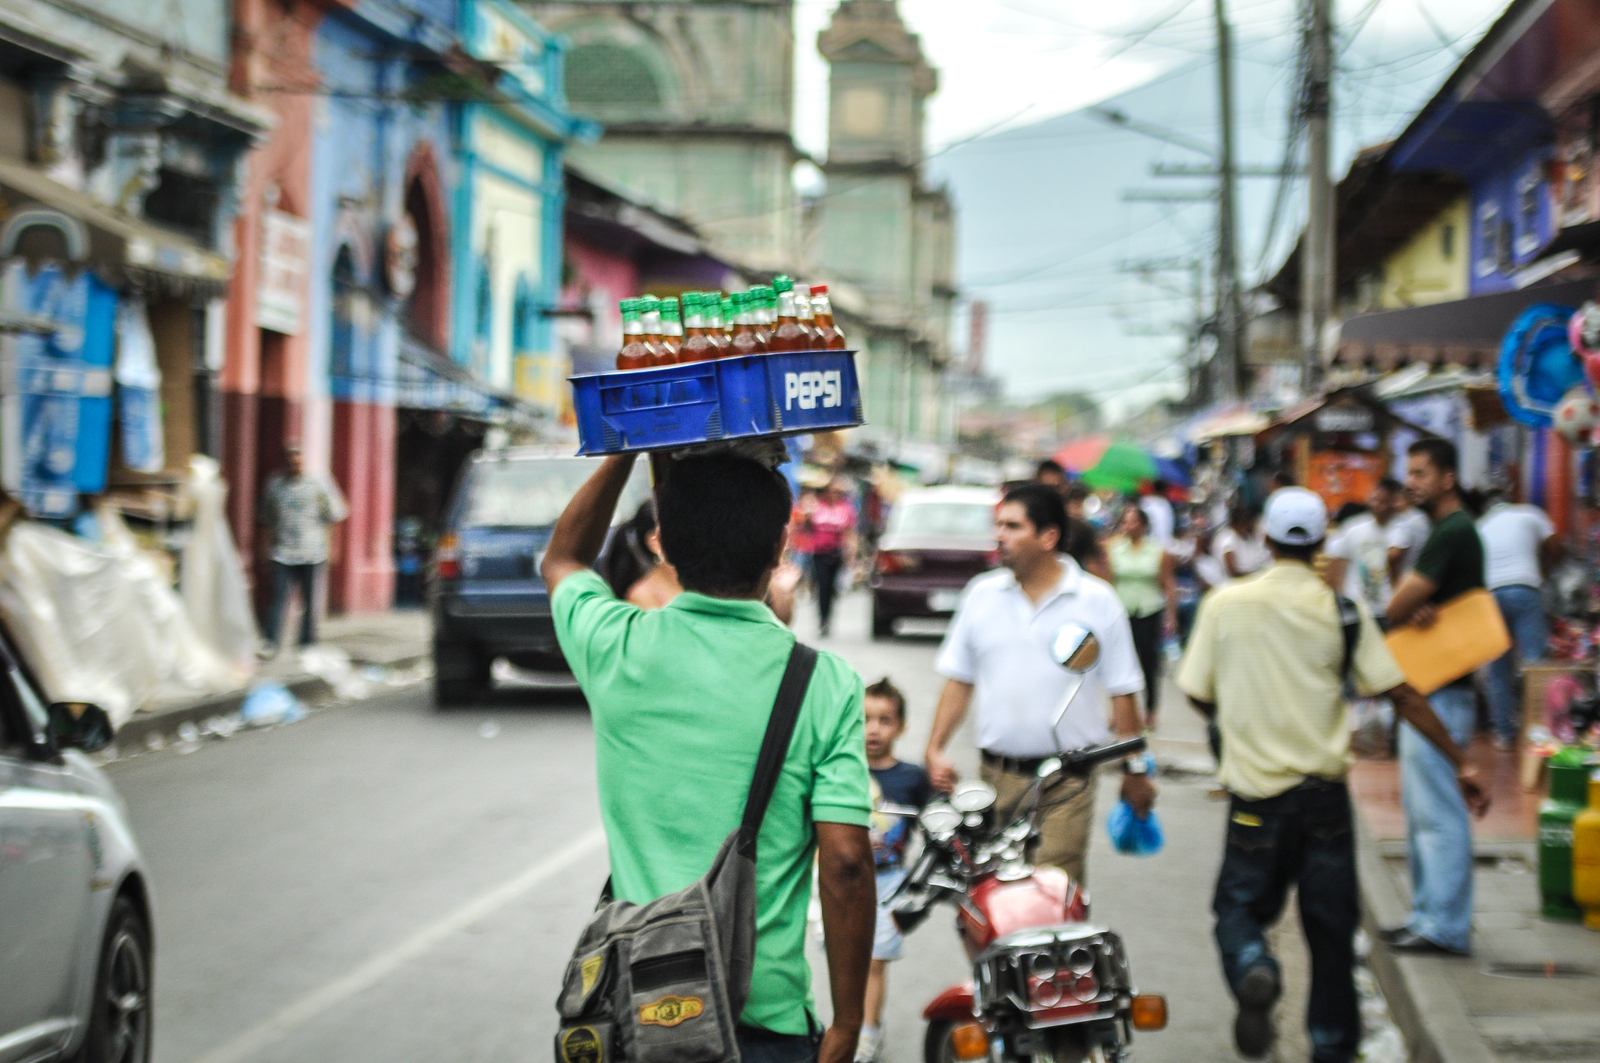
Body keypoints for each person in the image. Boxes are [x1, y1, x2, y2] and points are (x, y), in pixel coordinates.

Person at [541, 453, 877, 1063]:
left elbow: (564, 560)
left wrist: (624, 449)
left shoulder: (617, 644)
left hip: (640, 1012)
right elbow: (847, 862)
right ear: (780, 547)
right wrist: (849, 1023)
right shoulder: (825, 682)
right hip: (765, 1022)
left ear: (664, 545)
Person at [1177, 487, 1487, 1062]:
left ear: (1266, 539)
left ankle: (1253, 964)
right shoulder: (1341, 611)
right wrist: (1461, 760)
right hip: (1324, 802)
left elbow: (1196, 691)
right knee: (1331, 932)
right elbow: (1401, 694)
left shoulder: (1224, 604)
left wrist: (1240, 715)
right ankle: (1331, 1046)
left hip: (1256, 800)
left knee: (1239, 909)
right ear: (1321, 543)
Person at [925, 484, 1154, 886]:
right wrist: (935, 748)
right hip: (995, 779)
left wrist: (1135, 770)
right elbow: (959, 679)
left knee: (1051, 891)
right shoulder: (982, 594)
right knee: (993, 895)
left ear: (1048, 536)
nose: (999, 535)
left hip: (1066, 782)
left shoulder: (1096, 600)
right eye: (998, 525)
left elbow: (1123, 690)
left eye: (1013, 526)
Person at [1384, 438, 1486, 957]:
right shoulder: (1443, 531)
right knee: (1424, 811)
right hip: (1432, 689)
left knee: (1438, 812)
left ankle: (1444, 924)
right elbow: (1410, 598)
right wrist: (1413, 606)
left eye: (1421, 473)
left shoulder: (1453, 530)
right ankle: (1427, 915)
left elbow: (1397, 604)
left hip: (1441, 692)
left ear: (1448, 478)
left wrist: (1405, 608)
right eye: (1410, 472)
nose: (1412, 482)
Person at [858, 677, 933, 1063]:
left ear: (900, 727)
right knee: (849, 962)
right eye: (865, 719)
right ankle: (852, 1024)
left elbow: (937, 825)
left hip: (890, 883)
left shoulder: (912, 778)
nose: (874, 729)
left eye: (884, 720)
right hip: (844, 883)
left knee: (874, 962)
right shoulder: (844, 772)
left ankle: (867, 1033)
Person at [1478, 491, 1561, 748]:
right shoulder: (1530, 513)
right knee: (1534, 662)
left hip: (1491, 594)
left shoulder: (1481, 525)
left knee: (1498, 668)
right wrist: (1544, 570)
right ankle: (1538, 731)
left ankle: (1504, 733)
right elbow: (1555, 545)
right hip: (1525, 587)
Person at [257, 443, 348, 656]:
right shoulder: (275, 486)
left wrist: (334, 547)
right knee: (278, 597)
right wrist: (264, 547)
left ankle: (307, 641)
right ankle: (271, 640)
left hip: (312, 551)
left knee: (309, 599)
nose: (294, 464)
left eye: (298, 459)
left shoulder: (319, 484)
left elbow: (334, 516)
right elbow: (267, 519)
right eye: (290, 460)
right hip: (282, 551)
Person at [1107, 504, 1177, 724]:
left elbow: (1168, 583)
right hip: (1123, 611)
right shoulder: (1115, 549)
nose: (1129, 526)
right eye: (1125, 521)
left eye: (1134, 521)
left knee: (1148, 662)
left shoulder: (1157, 551)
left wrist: (1171, 615)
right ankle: (1120, 710)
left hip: (1149, 610)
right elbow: (1109, 581)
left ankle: (1150, 709)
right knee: (1119, 661)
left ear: (1144, 525)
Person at [802, 477, 858, 638]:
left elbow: (850, 533)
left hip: (836, 553)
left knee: (833, 588)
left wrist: (851, 554)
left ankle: (829, 617)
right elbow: (805, 527)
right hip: (819, 554)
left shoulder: (845, 509)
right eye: (832, 491)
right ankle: (823, 619)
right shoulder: (817, 506)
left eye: (838, 492)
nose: (835, 495)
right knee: (823, 586)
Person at [1213, 503, 1270, 580]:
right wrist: (1256, 575)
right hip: (1241, 581)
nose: (1246, 527)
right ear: (1234, 525)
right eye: (1242, 523)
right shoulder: (1227, 541)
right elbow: (1233, 572)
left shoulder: (1247, 535)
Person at [1139, 479, 1176, 548]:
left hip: (1156, 543)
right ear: (1164, 491)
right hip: (1152, 543)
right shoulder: (1165, 504)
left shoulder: (1146, 501)